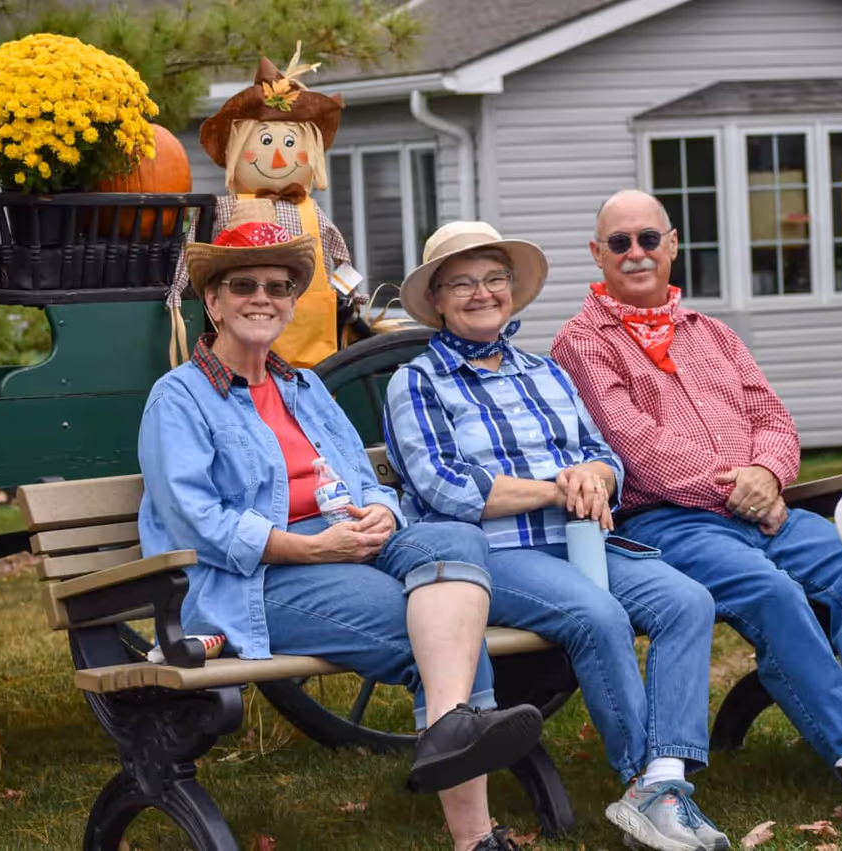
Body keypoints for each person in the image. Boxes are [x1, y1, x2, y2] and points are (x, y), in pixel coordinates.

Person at [137, 199, 543, 851]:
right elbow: (199, 521)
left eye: (278, 286)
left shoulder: (303, 388)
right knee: (437, 630)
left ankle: (445, 727)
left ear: (293, 302)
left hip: (347, 546)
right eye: (244, 285)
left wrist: (379, 509)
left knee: (455, 540)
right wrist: (312, 545)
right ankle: (476, 836)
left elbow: (359, 475)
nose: (262, 298)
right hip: (254, 578)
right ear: (212, 302)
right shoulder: (179, 399)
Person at [552, 189, 842, 795]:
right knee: (773, 592)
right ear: (598, 254)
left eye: (649, 238)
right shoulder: (583, 344)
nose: (636, 253)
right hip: (668, 522)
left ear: (672, 244)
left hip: (763, 509)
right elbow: (636, 447)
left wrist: (770, 475)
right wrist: (742, 490)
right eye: (619, 243)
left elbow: (773, 420)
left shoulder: (714, 334)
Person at [384, 220, 729, 851]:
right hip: (495, 553)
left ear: (512, 289)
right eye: (462, 283)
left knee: (687, 602)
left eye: (493, 279)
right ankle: (640, 784)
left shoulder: (544, 372)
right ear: (436, 299)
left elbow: (601, 453)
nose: (481, 293)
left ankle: (665, 778)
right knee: (597, 615)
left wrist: (596, 474)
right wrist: (556, 488)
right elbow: (448, 491)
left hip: (582, 541)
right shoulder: (418, 382)